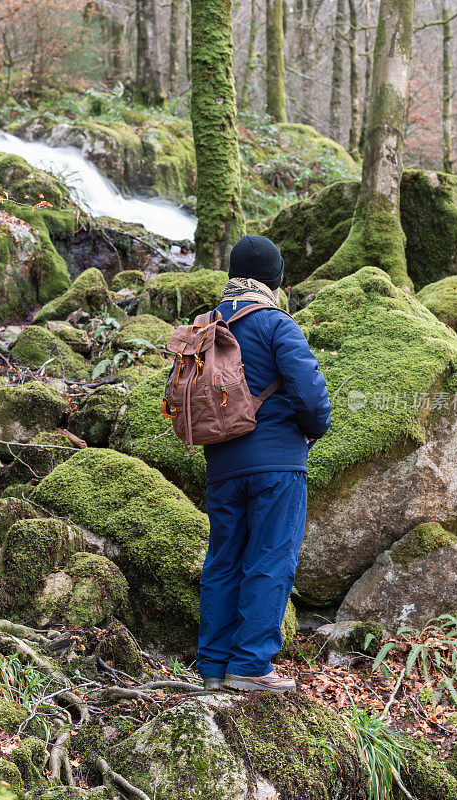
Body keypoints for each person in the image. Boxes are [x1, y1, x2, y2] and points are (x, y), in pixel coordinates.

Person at [196, 234, 331, 693]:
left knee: (223, 561)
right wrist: (314, 429)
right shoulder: (276, 323)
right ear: (274, 280)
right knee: (270, 557)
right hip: (277, 466)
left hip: (221, 465)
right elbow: (311, 396)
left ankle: (213, 666)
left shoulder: (206, 327)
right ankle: (251, 665)